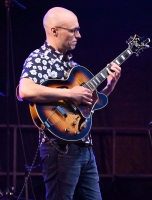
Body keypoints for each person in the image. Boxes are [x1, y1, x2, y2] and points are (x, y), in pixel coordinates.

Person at [17, 7, 121, 200]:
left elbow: (87, 106)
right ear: (54, 30)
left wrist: (109, 87)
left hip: (84, 146)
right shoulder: (39, 58)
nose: (79, 35)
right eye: (73, 30)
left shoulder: (72, 66)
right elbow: (25, 90)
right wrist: (71, 93)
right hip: (60, 147)